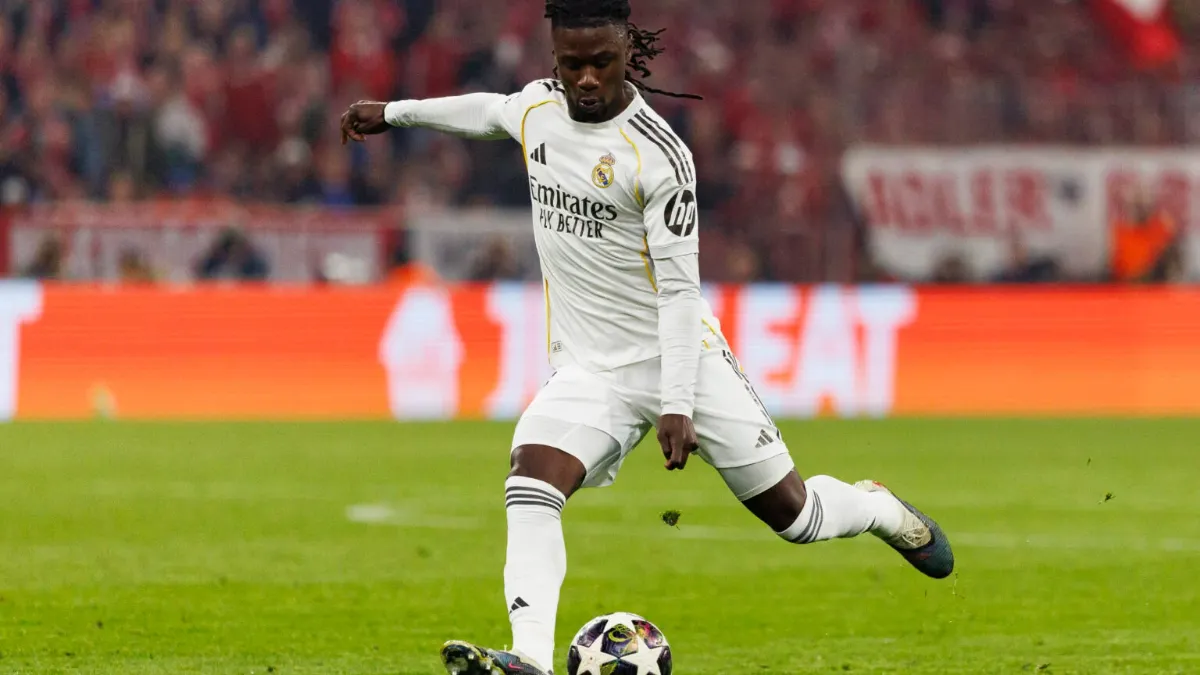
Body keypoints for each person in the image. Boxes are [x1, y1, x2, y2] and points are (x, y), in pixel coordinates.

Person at [339, 2, 954, 673]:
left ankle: (878, 508)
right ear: (554, 58)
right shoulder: (537, 109)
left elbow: (681, 292)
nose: (586, 79)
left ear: (626, 53)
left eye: (601, 62)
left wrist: (678, 402)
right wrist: (392, 112)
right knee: (531, 481)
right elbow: (487, 111)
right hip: (590, 370)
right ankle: (529, 658)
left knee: (795, 516)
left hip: (680, 362)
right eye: (571, 64)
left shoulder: (659, 156)